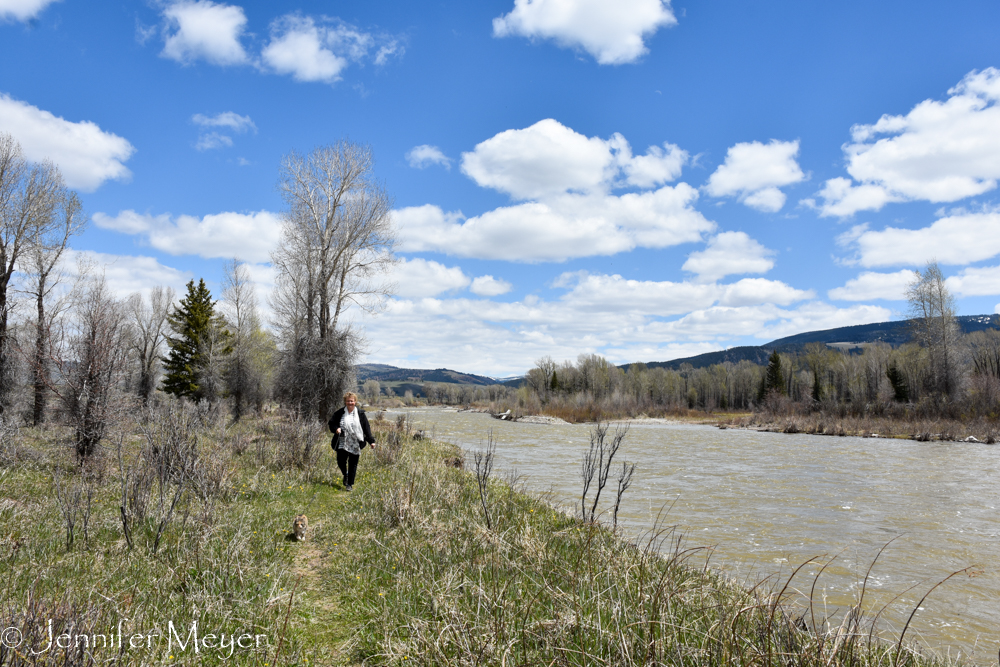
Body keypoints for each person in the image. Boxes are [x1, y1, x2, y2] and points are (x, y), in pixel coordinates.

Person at [328, 392, 376, 490]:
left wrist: (371, 441)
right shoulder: (339, 413)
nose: (350, 403)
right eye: (348, 401)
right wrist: (336, 429)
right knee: (341, 461)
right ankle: (345, 474)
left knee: (353, 464)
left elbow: (366, 428)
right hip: (342, 442)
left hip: (356, 443)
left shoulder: (361, 414)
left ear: (355, 402)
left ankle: (349, 484)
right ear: (345, 402)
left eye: (352, 401)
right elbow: (331, 423)